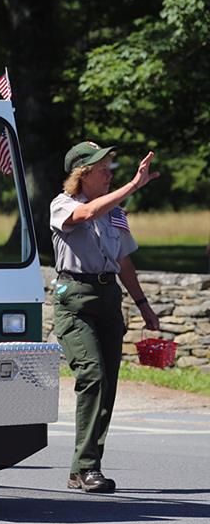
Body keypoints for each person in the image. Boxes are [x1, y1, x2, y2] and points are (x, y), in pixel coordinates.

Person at [50, 141, 160, 493]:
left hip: (108, 296)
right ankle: (86, 467)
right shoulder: (63, 204)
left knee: (108, 383)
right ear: (82, 174)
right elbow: (85, 215)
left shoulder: (116, 213)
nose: (108, 175)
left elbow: (124, 261)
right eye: (101, 170)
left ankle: (84, 468)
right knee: (93, 375)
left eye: (109, 169)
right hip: (75, 299)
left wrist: (143, 304)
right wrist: (133, 185)